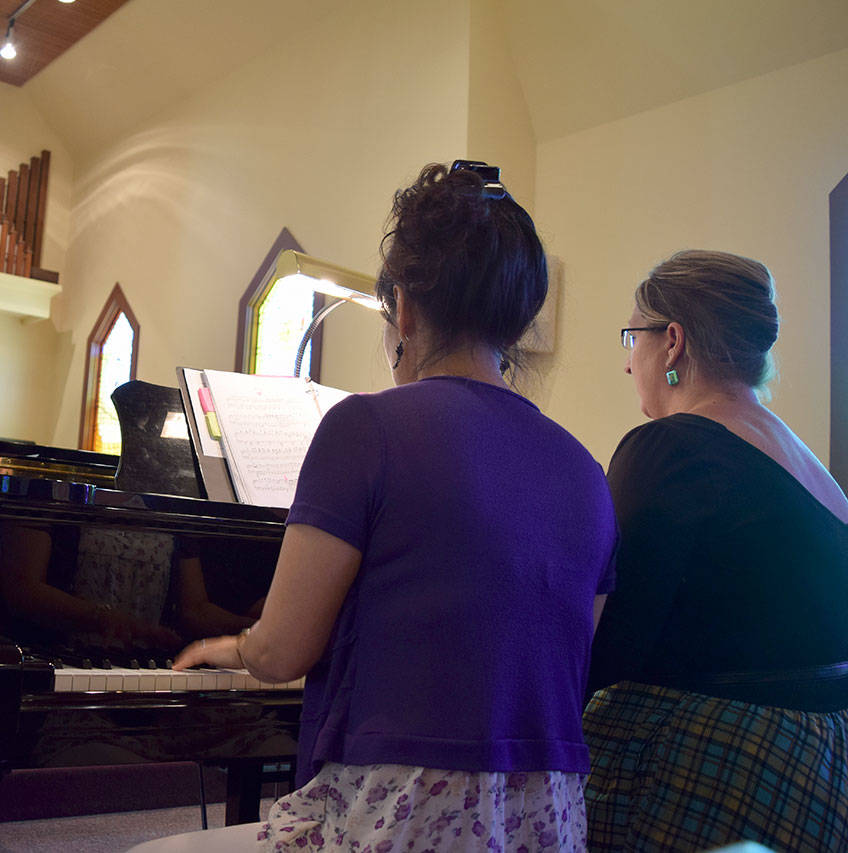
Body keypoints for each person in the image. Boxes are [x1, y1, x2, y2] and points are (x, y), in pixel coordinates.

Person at [135, 162, 619, 852]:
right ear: (517, 320)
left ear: (406, 307)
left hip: (401, 819)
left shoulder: (366, 430)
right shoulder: (587, 474)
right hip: (549, 826)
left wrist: (232, 645)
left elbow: (283, 651)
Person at [584, 250, 848, 851]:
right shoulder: (810, 467)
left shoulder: (669, 446)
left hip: (719, 775)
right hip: (819, 783)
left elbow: (605, 645)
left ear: (672, 341)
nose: (630, 365)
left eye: (634, 338)